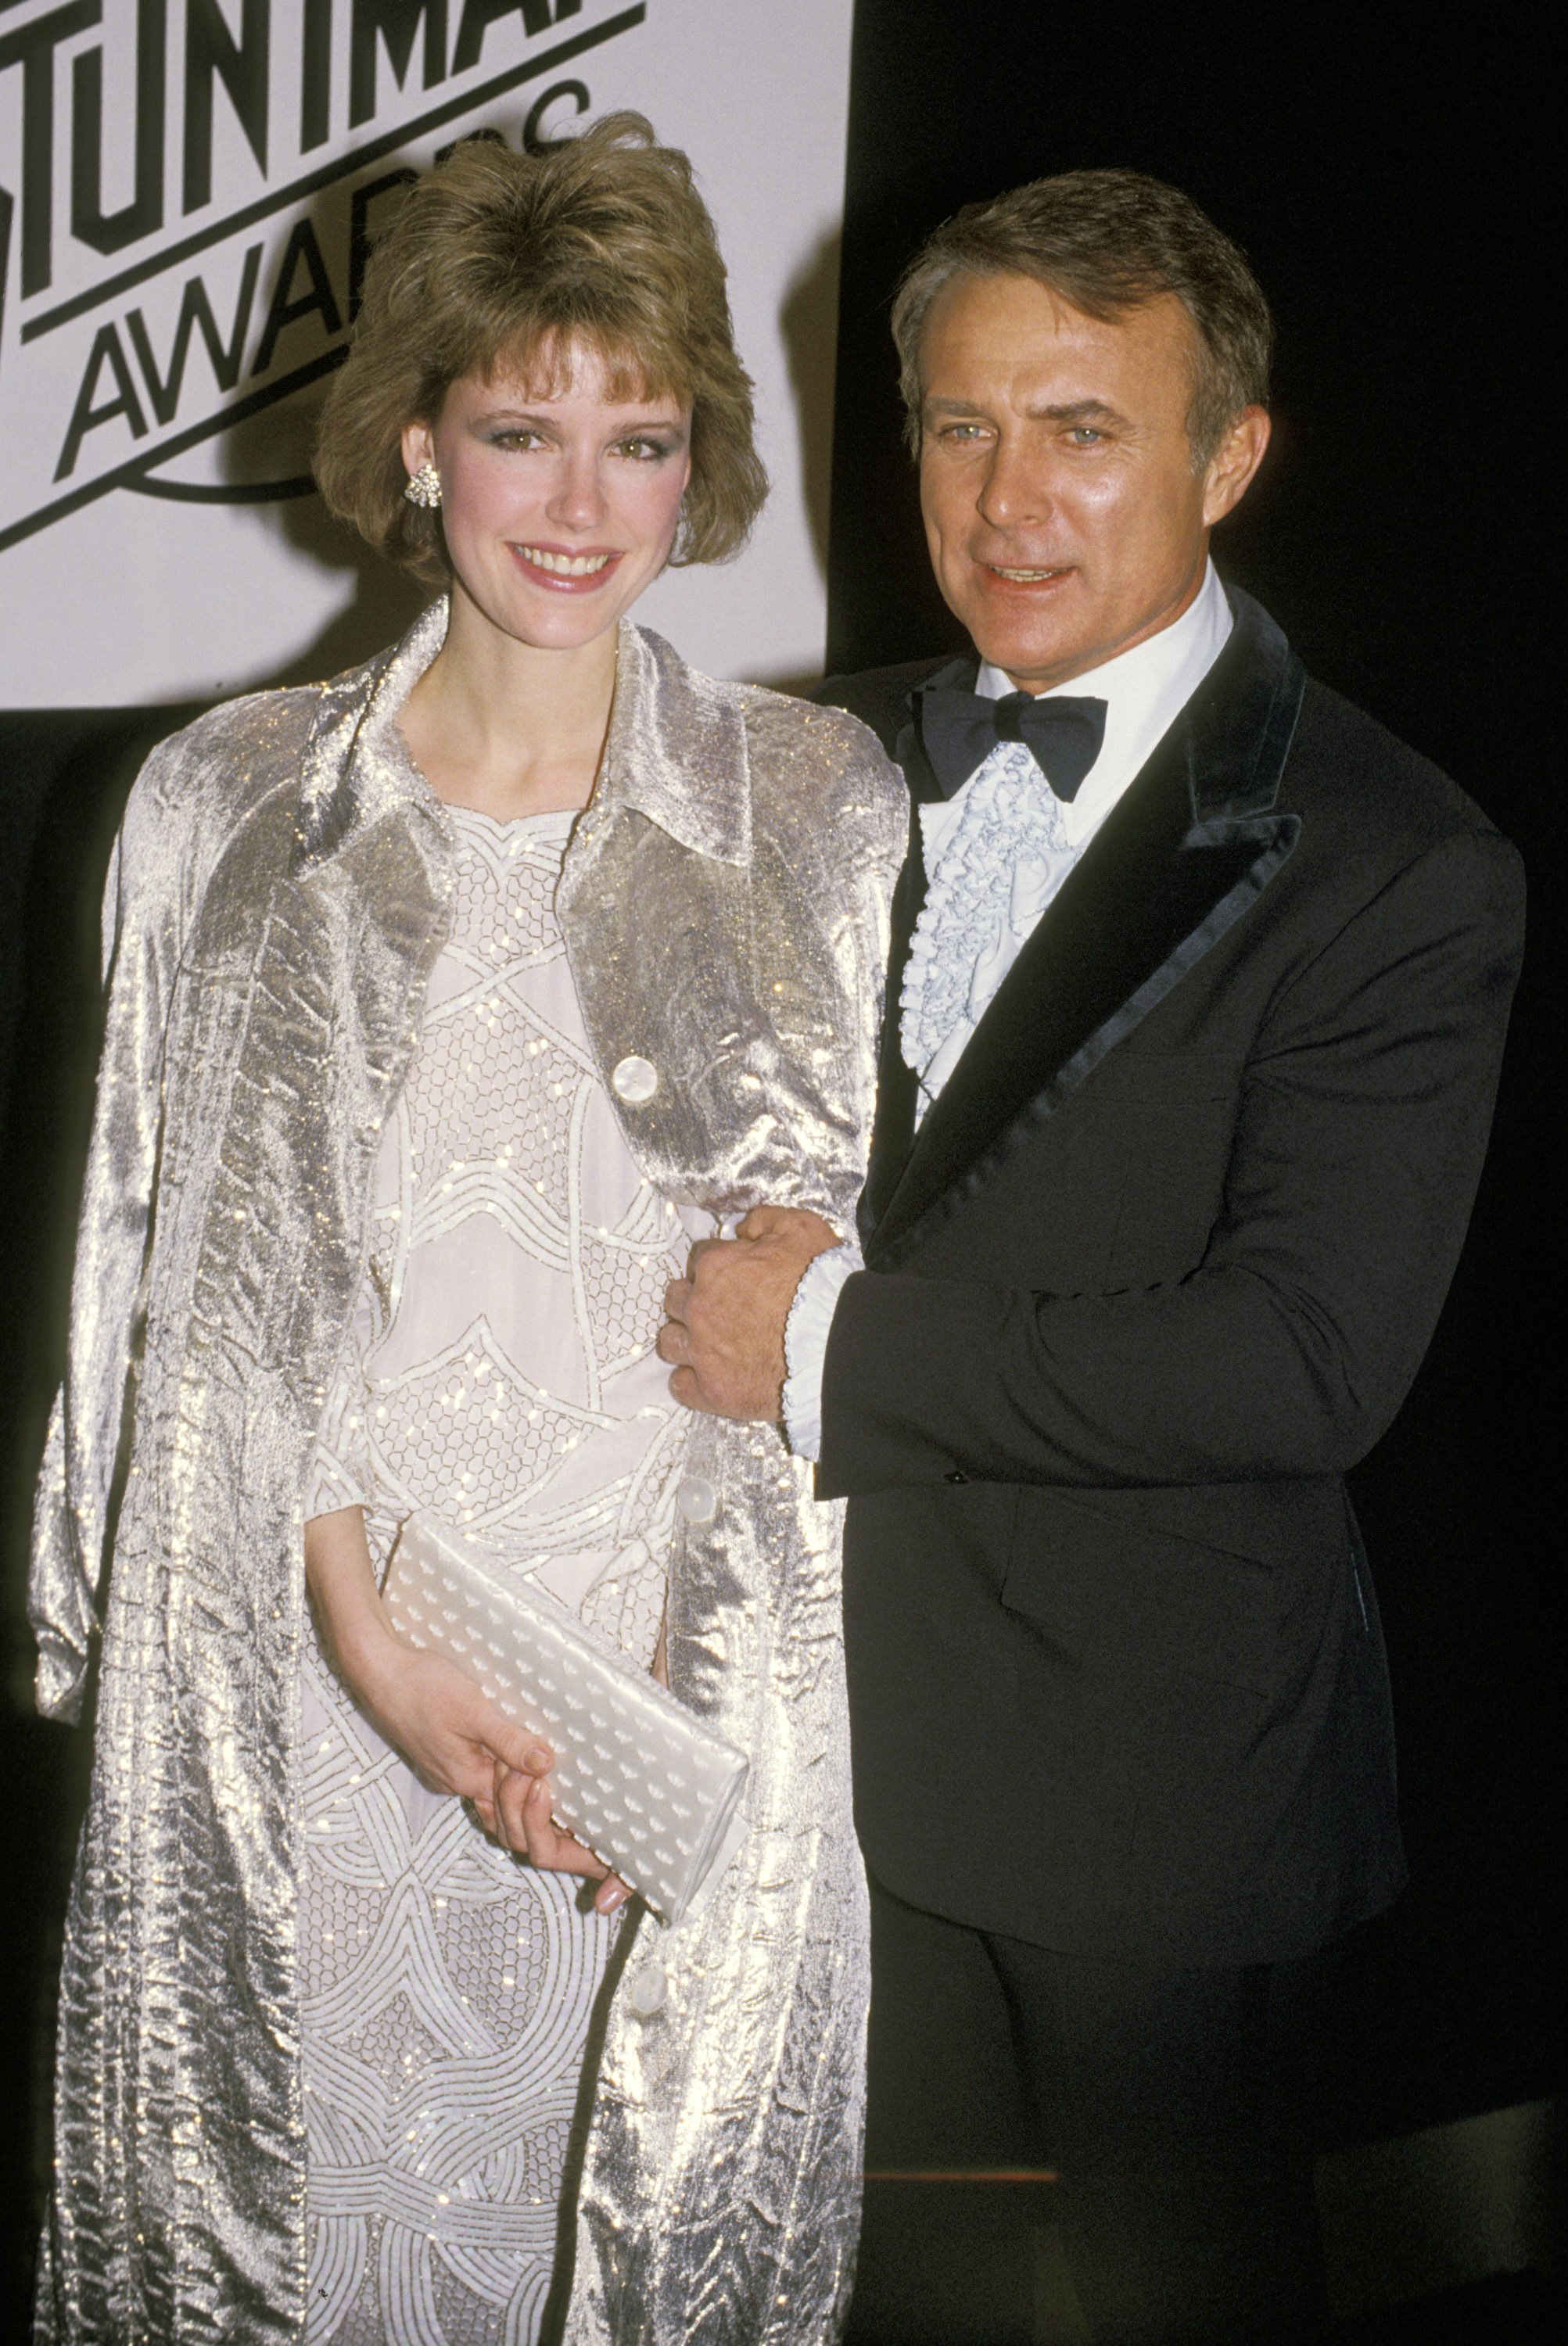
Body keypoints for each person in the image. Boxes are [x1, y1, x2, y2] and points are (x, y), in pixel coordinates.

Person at [29, 117, 905, 2345]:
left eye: (638, 434)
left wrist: (671, 1727)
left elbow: (833, 1284)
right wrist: (370, 1640)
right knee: (313, 2230)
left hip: (660, 1698)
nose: (583, 503)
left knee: (604, 2228)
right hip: (337, 1673)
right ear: (416, 443)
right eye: (520, 430)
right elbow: (174, 1303)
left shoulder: (812, 803)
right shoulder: (231, 804)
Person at [659, 169, 1525, 2343]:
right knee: (879, 2297)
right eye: (958, 426)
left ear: (1226, 456)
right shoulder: (797, 761)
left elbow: (1298, 1363)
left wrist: (831, 1347)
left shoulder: (1397, 861)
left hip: (1153, 1803)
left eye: (1082, 428)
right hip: (805, 1765)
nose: (1008, 497)